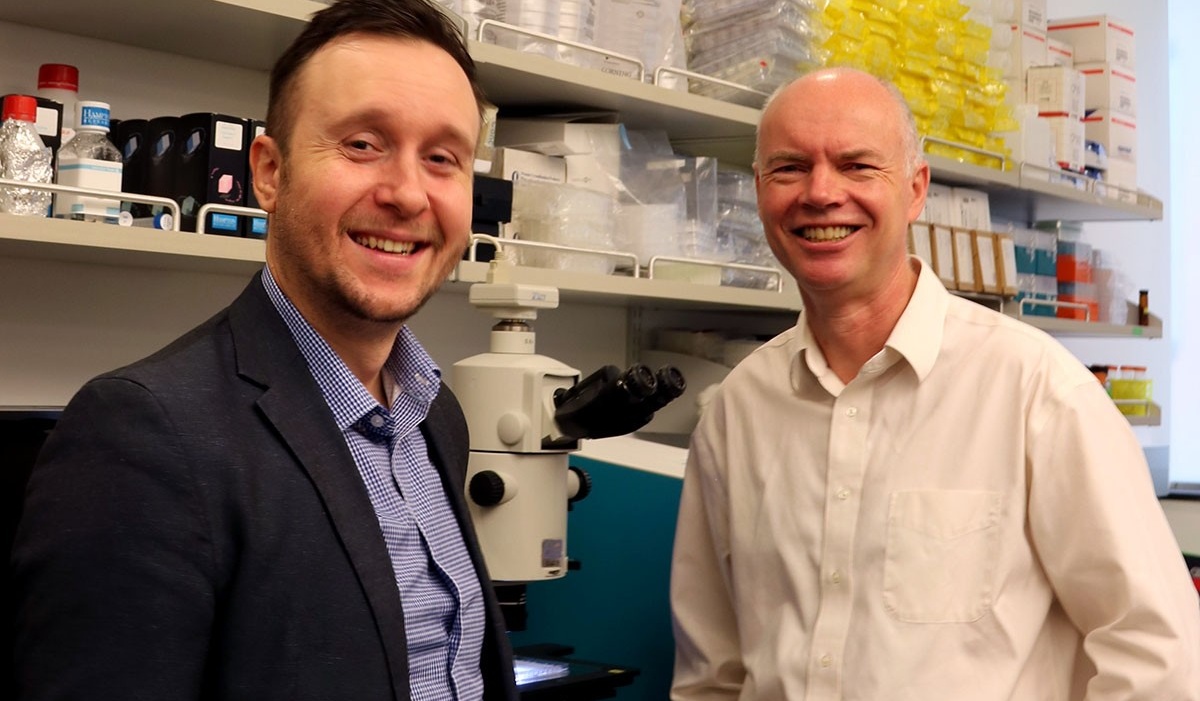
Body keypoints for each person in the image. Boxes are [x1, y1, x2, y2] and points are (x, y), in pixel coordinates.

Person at [11, 1, 518, 699]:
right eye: (363, 144)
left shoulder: (437, 416)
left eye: (442, 158)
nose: (406, 193)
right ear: (269, 172)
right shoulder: (143, 435)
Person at [670, 67, 1200, 701]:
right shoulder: (739, 409)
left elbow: (1159, 658)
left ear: (916, 189)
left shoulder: (1036, 391)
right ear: (759, 192)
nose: (820, 192)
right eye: (788, 168)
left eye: (858, 166)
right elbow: (713, 674)